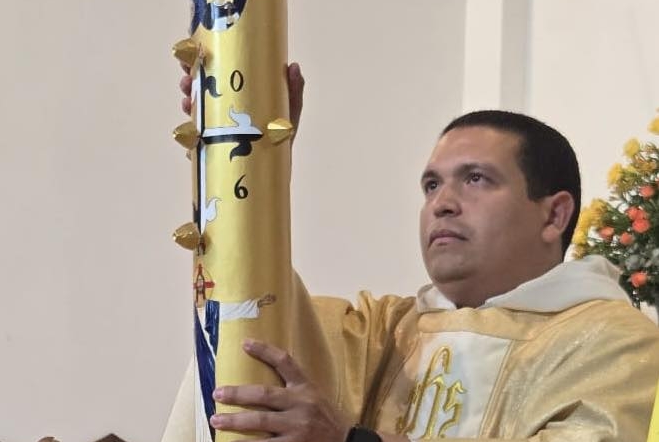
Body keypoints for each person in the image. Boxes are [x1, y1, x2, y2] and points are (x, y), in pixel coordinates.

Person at [165, 63, 659, 442]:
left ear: (553, 215)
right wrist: (246, 157)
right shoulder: (388, 332)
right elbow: (254, 310)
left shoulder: (612, 341)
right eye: (430, 185)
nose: (442, 204)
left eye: (475, 179)